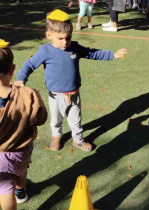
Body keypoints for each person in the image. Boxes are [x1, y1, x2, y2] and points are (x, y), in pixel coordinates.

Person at [14, 9, 128, 152]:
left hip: (74, 94)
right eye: (60, 38)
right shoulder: (45, 51)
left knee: (76, 121)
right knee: (56, 120)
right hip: (56, 96)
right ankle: (56, 137)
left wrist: (112, 55)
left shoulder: (74, 47)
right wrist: (20, 79)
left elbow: (91, 53)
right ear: (49, 35)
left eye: (68, 38)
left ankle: (78, 140)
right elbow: (29, 65)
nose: (65, 42)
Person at [0, 39, 47, 210]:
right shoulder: (28, 94)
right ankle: (20, 190)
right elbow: (41, 119)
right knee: (21, 172)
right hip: (21, 152)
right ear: (12, 70)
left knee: (5, 189)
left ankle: (16, 191)